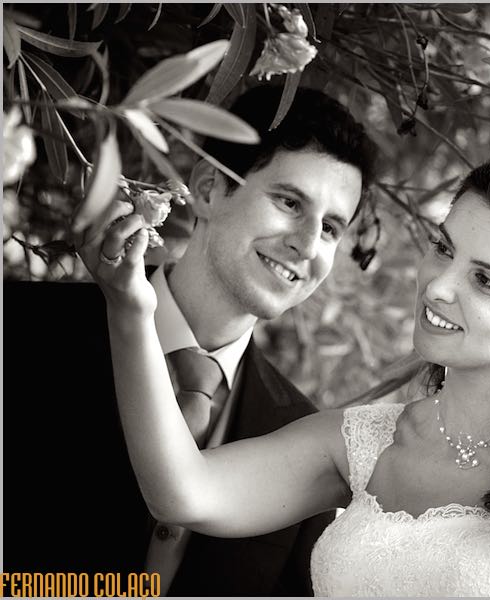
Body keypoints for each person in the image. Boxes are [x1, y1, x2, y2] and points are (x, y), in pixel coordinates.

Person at [81, 154, 490, 596]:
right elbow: (182, 492)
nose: (438, 285)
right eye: (444, 247)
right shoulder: (357, 440)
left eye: (486, 280)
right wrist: (130, 310)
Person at [2, 85, 377, 596]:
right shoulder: (20, 328)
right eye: (290, 202)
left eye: (331, 228)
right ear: (207, 188)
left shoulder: (303, 438)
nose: (307, 245)